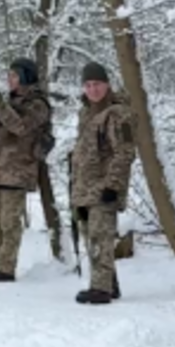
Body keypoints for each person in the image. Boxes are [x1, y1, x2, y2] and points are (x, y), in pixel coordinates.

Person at [0, 57, 54, 282]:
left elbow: (20, 127)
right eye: (8, 76)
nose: (9, 80)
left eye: (14, 76)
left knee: (9, 222)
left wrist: (0, 107)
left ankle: (6, 267)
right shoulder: (10, 102)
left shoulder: (37, 104)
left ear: (26, 77)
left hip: (19, 171)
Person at [68, 62, 137, 305]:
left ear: (106, 84)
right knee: (92, 237)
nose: (93, 89)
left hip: (104, 187)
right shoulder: (86, 113)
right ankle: (109, 283)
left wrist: (113, 185)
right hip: (85, 187)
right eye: (88, 85)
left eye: (97, 84)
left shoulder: (118, 113)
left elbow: (125, 151)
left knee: (100, 236)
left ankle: (100, 287)